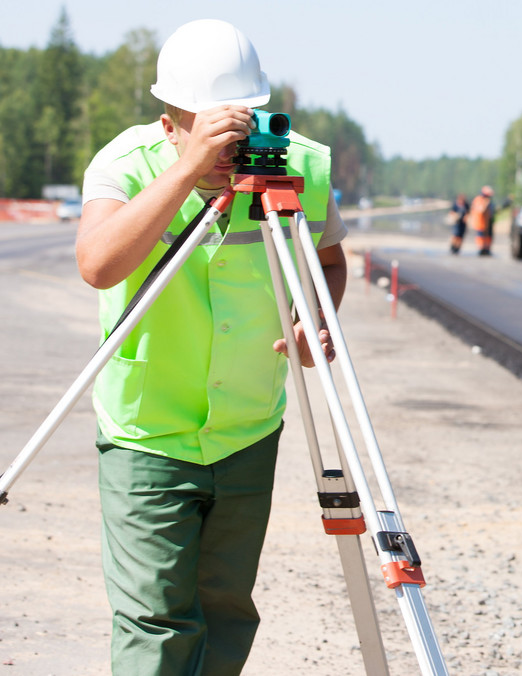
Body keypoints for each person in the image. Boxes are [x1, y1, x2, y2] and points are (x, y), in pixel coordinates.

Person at [75, 19, 347, 675]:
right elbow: (99, 264)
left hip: (248, 425)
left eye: (243, 122)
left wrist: (317, 316)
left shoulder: (296, 165)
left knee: (225, 608)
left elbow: (330, 261)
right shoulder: (125, 165)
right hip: (150, 430)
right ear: (170, 123)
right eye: (213, 127)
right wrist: (188, 173)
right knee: (156, 618)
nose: (235, 142)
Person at [468, 185, 495, 256]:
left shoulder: (487, 200)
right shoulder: (479, 200)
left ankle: (486, 249)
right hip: (480, 222)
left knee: (487, 237)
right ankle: (481, 249)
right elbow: (481, 210)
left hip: (486, 222)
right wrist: (485, 204)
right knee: (480, 237)